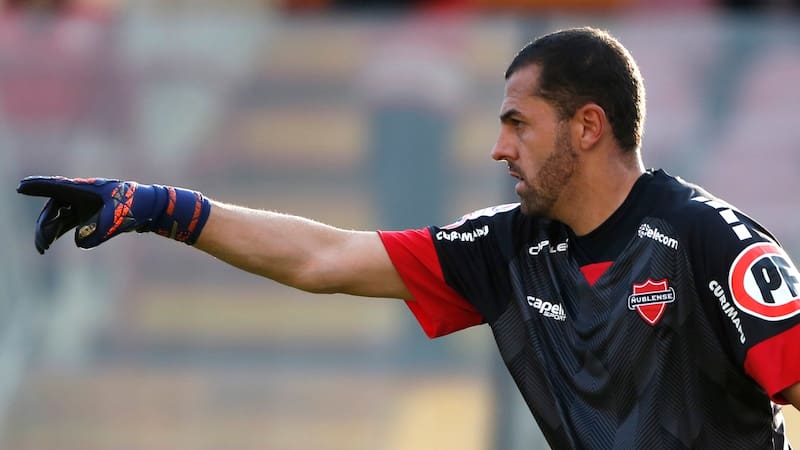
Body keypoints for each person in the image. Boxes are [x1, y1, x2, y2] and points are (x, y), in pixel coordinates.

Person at [17, 27, 800, 449]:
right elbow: (325, 258)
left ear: (588, 127)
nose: (500, 148)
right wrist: (161, 206)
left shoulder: (708, 241)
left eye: (518, 124)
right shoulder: (506, 247)